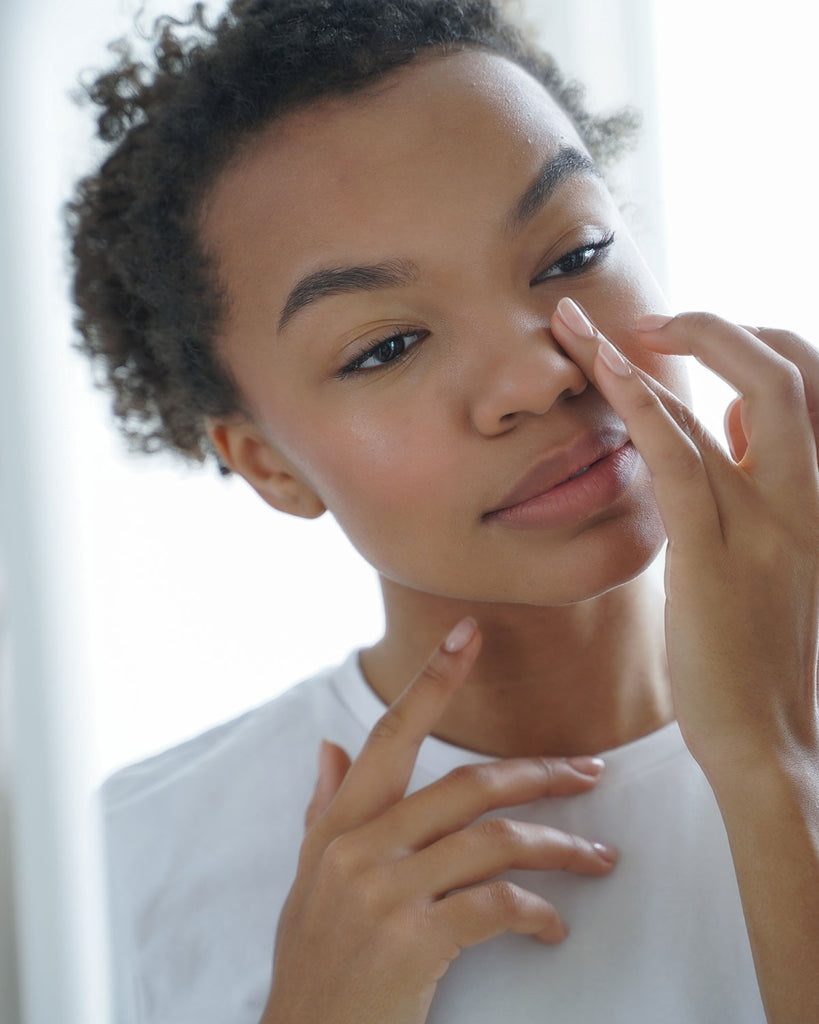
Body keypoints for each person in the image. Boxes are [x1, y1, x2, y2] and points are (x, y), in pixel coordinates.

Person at [67, 1, 819, 1022]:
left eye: (570, 256)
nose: (540, 373)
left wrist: (777, 764)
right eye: (386, 346)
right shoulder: (119, 882)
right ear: (269, 466)